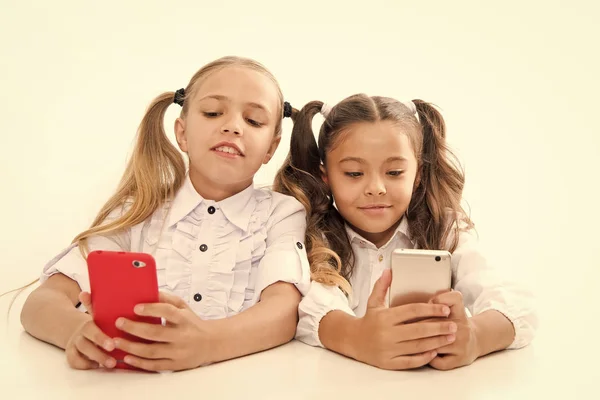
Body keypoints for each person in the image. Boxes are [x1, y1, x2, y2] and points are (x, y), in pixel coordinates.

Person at [19, 56, 311, 372]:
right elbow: (40, 303)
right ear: (182, 133)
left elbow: (284, 310)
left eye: (254, 120)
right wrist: (75, 330)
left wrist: (209, 343)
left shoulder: (282, 214)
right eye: (213, 113)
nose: (232, 126)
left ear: (271, 147)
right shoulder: (138, 210)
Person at [274, 94, 537, 370]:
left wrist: (476, 338)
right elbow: (308, 308)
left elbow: (516, 302)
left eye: (395, 172)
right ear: (325, 177)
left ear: (418, 173)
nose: (376, 188)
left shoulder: (443, 229)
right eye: (354, 173)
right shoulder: (312, 234)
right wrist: (356, 337)